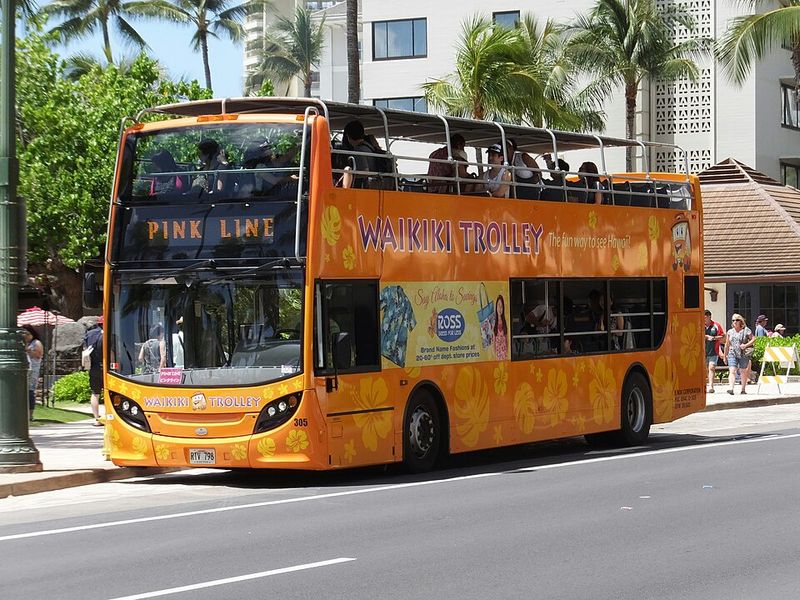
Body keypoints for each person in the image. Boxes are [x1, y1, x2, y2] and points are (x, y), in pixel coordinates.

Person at [335, 120, 388, 189]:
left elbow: (363, 172)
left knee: (347, 170)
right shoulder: (370, 147)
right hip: (376, 184)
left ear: (348, 136)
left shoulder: (359, 150)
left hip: (366, 187)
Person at [723, 313, 754, 395]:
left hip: (743, 354)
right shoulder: (730, 332)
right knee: (732, 370)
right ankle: (731, 388)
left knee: (743, 371)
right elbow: (727, 344)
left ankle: (743, 389)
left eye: (737, 320)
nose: (735, 322)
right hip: (732, 353)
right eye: (733, 320)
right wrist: (725, 356)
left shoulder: (746, 330)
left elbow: (753, 339)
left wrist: (746, 345)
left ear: (740, 321)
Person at [83, 317, 104, 425]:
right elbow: (112, 352)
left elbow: (84, 349)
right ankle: (110, 417)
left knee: (95, 393)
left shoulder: (89, 335)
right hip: (106, 367)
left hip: (93, 367)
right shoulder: (107, 334)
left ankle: (97, 419)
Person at [21, 325, 43, 421]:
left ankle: (30, 414)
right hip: (24, 369)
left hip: (32, 369)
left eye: (27, 334)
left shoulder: (36, 343)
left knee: (30, 390)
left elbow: (38, 354)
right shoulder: (22, 343)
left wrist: (28, 350)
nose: (25, 336)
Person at [704, 309, 725, 393]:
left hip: (714, 351)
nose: (704, 319)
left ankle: (711, 386)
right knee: (705, 369)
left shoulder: (716, 325)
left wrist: (714, 338)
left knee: (711, 367)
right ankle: (706, 384)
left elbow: (723, 336)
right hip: (703, 352)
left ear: (709, 317)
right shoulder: (700, 325)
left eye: (705, 317)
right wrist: (706, 336)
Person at [493, 295, 508, 360]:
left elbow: (507, 339)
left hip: (504, 354)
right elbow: (493, 341)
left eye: (501, 306)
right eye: (498, 305)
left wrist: (507, 352)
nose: (500, 308)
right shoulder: (493, 322)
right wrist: (494, 354)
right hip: (497, 355)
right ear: (496, 307)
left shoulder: (505, 321)